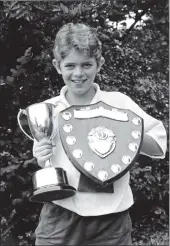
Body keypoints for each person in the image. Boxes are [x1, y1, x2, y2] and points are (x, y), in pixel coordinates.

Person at [32, 23, 167, 245]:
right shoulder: (47, 109)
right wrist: (40, 154)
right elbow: (43, 161)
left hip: (112, 219)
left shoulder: (119, 103)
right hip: (61, 214)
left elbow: (159, 144)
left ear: (99, 64)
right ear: (57, 66)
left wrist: (129, 132)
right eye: (70, 65)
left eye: (86, 64)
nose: (78, 73)